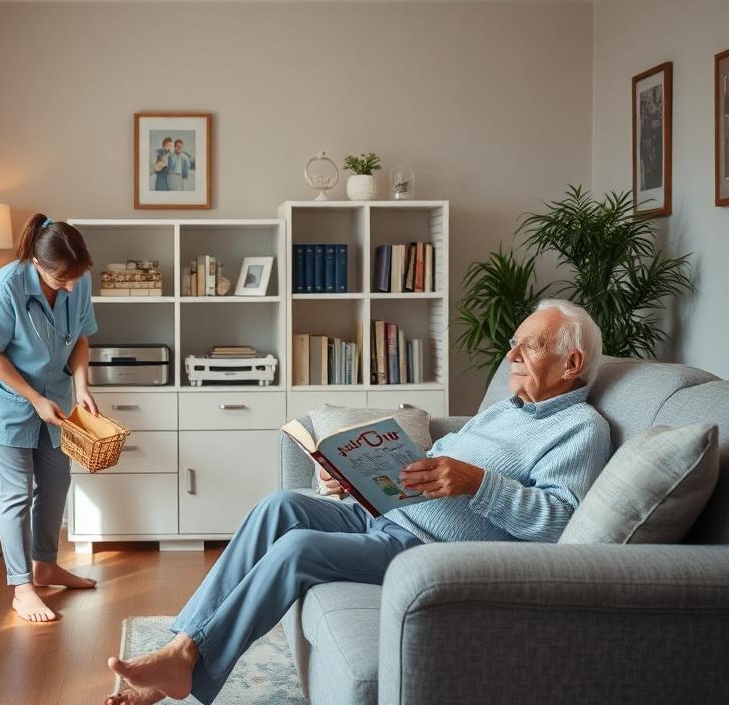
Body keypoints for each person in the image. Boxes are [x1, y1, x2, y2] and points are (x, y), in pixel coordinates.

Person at [105, 298, 612, 704]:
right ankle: (181, 646)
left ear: (572, 362)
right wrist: (364, 476)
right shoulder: (508, 409)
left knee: (298, 547)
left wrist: (477, 483)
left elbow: (559, 523)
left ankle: (188, 660)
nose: (511, 356)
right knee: (278, 505)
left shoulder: (580, 430)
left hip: (425, 548)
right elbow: (438, 454)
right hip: (388, 512)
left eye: (529, 346)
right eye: (514, 344)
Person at [0, 213, 100, 623]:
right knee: (15, 492)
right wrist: (32, 399)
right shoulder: (6, 284)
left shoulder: (76, 279)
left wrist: (81, 383)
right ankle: (21, 586)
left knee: (57, 482)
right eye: (63, 278)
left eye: (76, 276)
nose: (72, 285)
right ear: (39, 264)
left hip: (57, 400)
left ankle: (45, 565)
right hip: (9, 403)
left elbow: (80, 339)